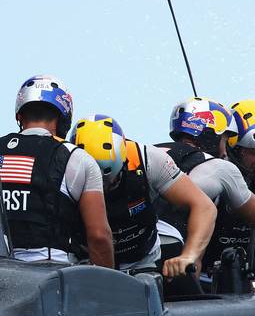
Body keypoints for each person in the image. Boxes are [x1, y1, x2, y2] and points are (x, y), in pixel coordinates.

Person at [0, 75, 113, 267]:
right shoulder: (78, 159)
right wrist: (107, 290)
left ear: (19, 116)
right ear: (63, 117)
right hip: (51, 277)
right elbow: (99, 236)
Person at [153, 97, 255, 292]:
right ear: (211, 136)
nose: (226, 148)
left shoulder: (149, 152)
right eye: (225, 139)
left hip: (132, 257)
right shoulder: (222, 168)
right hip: (172, 260)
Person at [70, 115, 215, 277]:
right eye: (93, 183)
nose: (103, 190)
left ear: (123, 159)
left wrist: (189, 256)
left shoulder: (149, 160)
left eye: (108, 181)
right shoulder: (63, 166)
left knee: (187, 285)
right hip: (85, 263)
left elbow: (204, 206)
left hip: (143, 261)